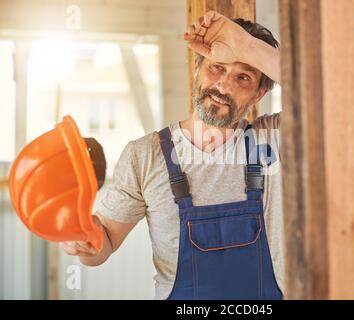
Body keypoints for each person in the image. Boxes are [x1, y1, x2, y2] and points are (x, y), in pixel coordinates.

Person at [62, 11, 283, 300]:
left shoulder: (276, 139)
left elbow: (327, 93)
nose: (223, 86)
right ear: (197, 69)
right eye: (217, 67)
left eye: (243, 77)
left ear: (257, 96)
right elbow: (103, 243)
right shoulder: (144, 156)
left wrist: (246, 46)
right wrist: (85, 244)